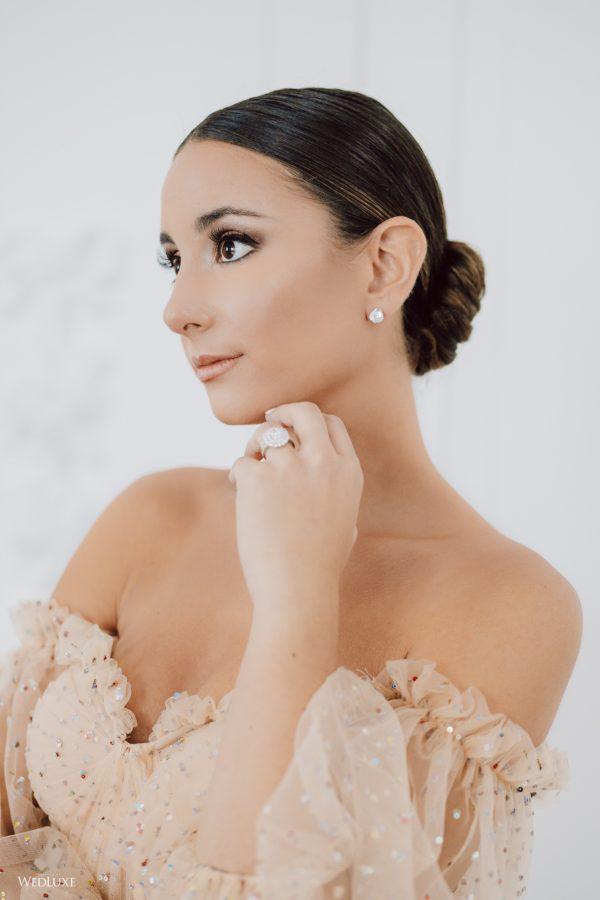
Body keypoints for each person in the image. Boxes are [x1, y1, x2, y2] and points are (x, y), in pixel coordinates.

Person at [0, 87, 581, 898]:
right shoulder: (150, 517)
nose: (177, 309)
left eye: (231, 244)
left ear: (384, 265)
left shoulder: (510, 604)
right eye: (174, 259)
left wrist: (298, 598)